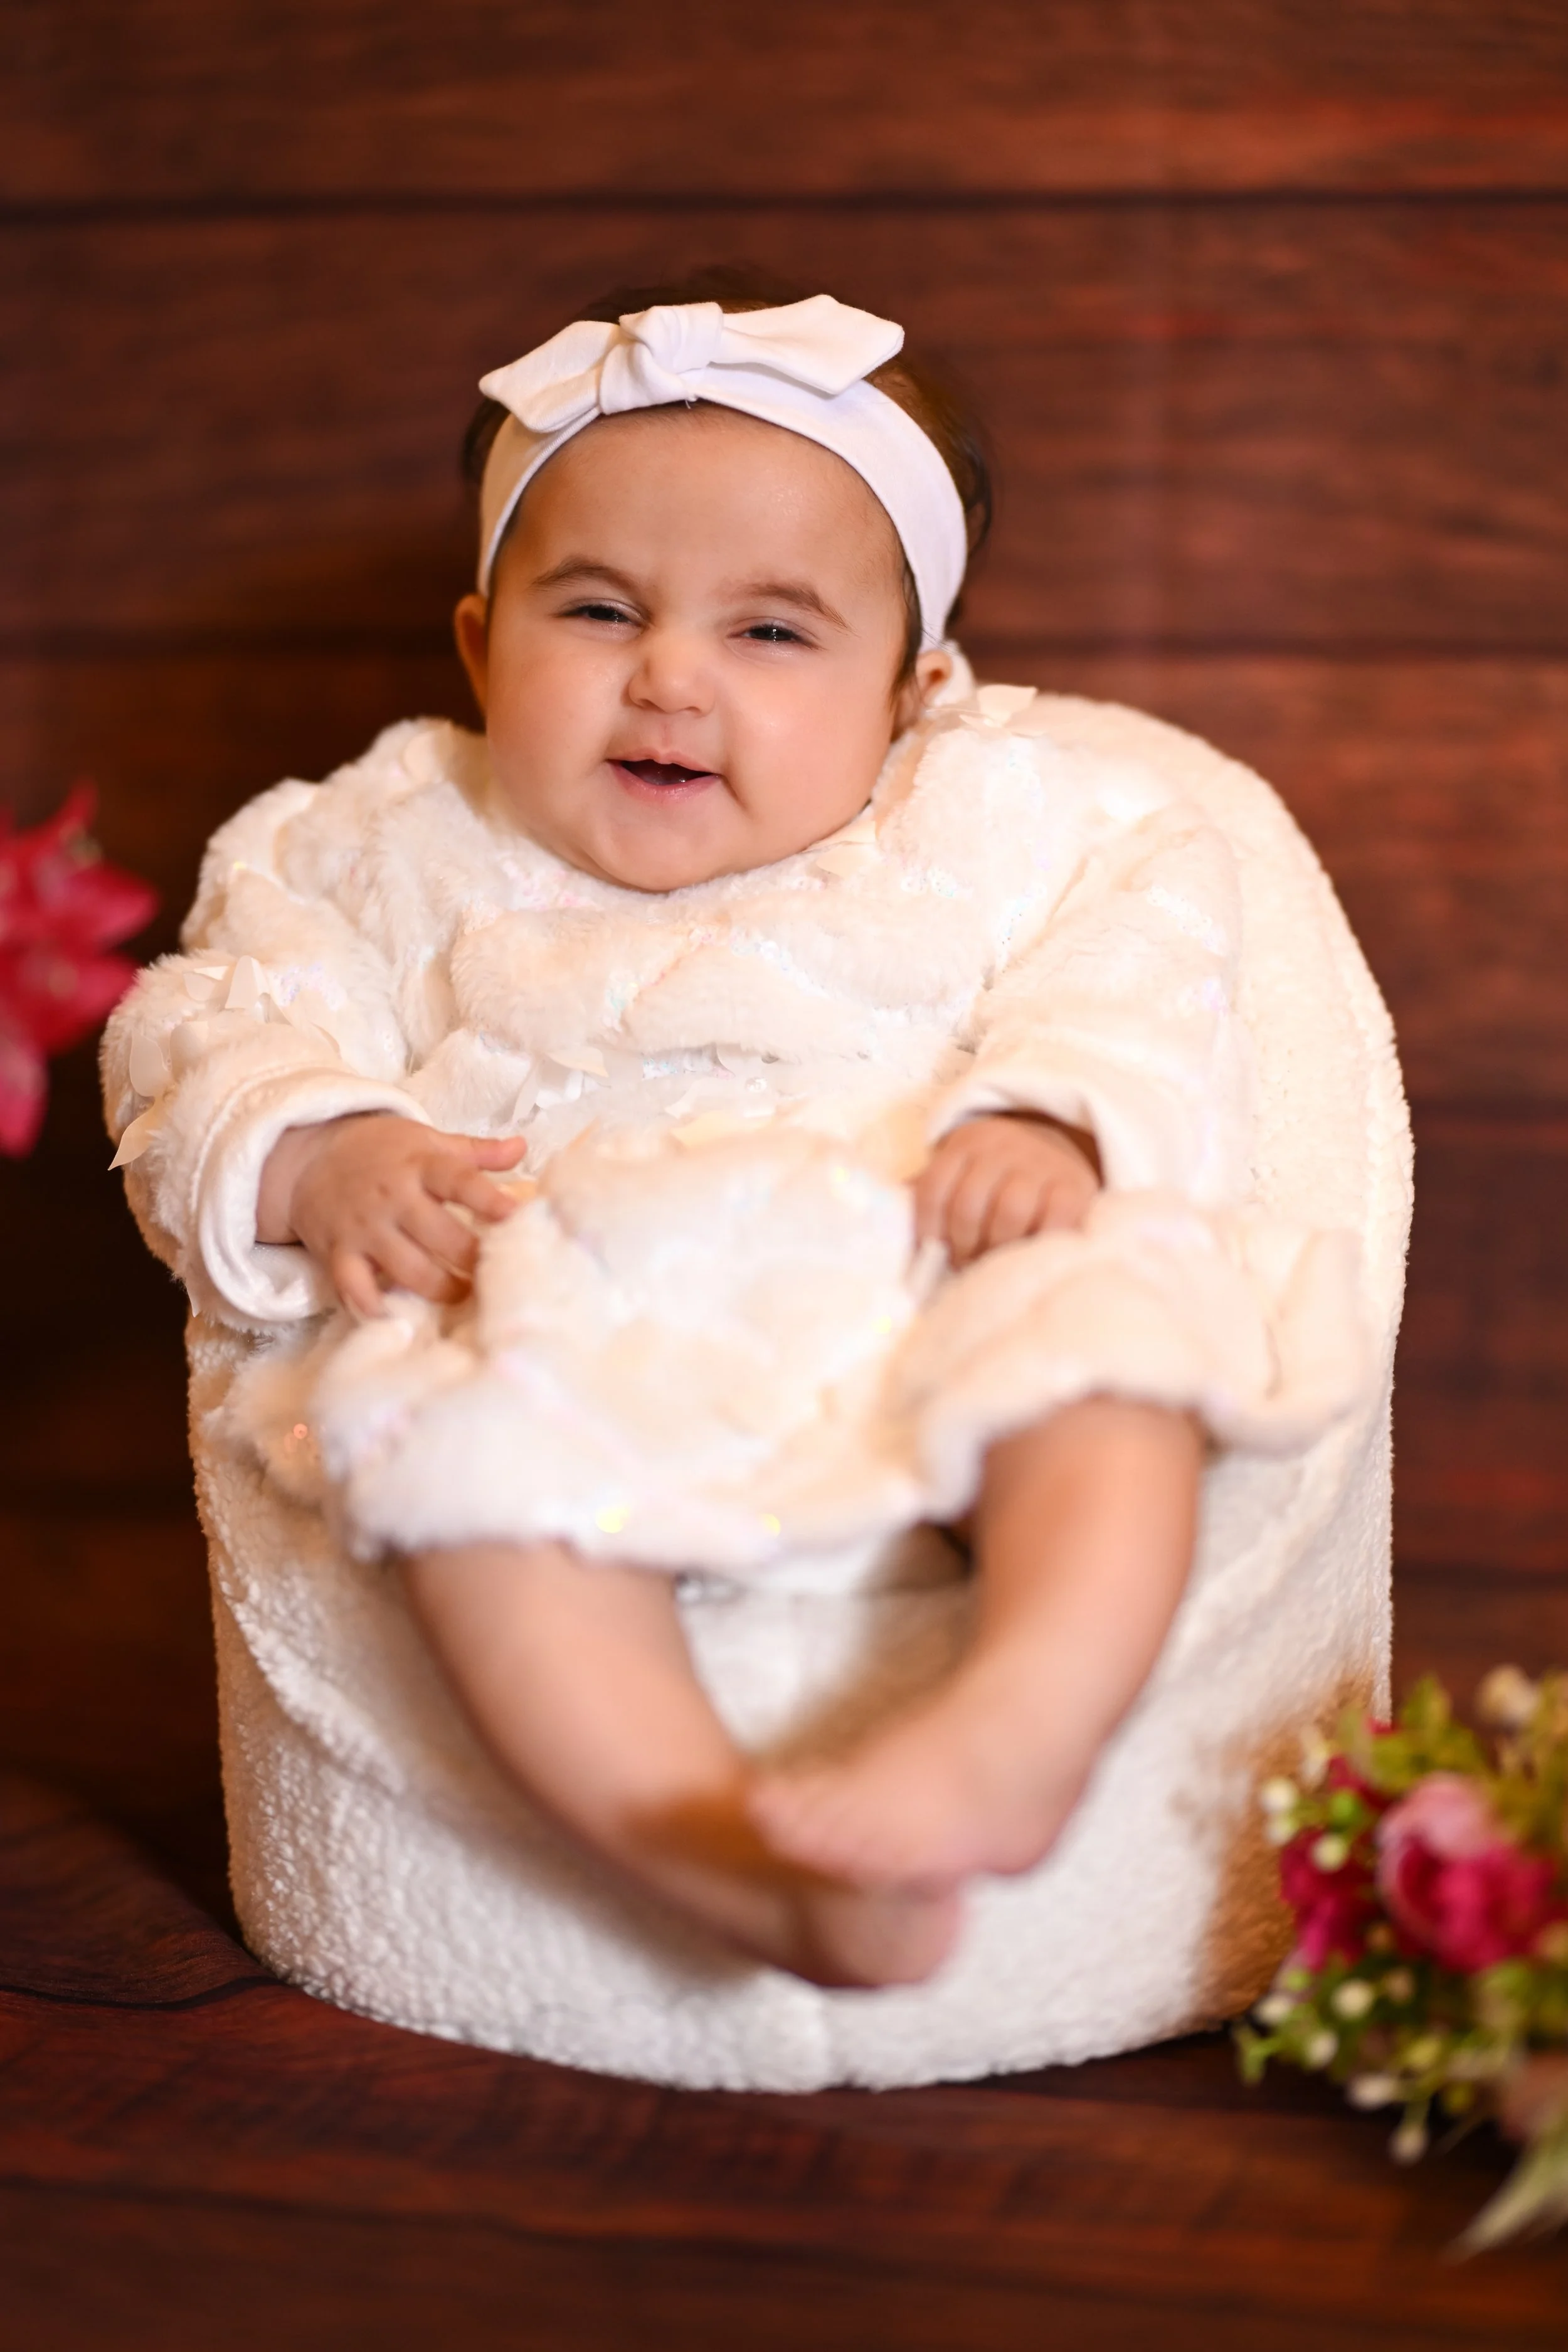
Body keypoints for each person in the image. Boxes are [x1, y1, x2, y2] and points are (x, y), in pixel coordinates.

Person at [105, 272, 1365, 1996]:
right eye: (599, 610)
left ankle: (1021, 1721)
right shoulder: (374, 838)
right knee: (455, 1474)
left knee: (1109, 1339)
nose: (669, 681)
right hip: (564, 1300)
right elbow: (202, 1018)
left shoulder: (997, 814)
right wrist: (318, 1148)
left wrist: (1052, 1119)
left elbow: (1147, 952)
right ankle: (720, 1852)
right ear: (481, 645)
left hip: (928, 1250)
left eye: (769, 632)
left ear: (911, 693)